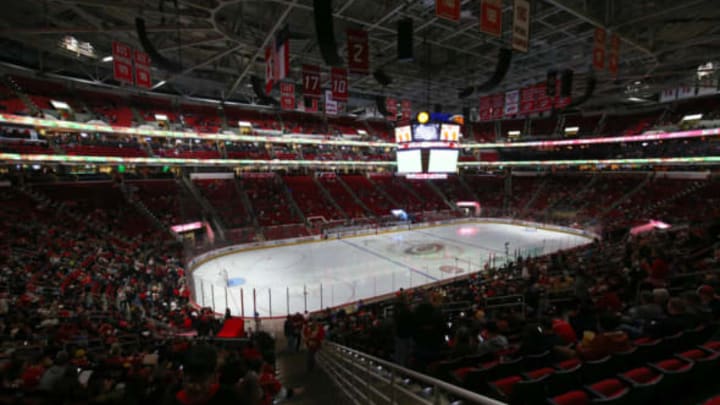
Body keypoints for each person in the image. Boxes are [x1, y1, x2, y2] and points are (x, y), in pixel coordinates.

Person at [164, 344, 250, 405]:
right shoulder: (171, 401)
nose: (197, 387)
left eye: (202, 380)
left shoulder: (230, 399)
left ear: (214, 377)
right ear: (182, 376)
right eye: (191, 381)